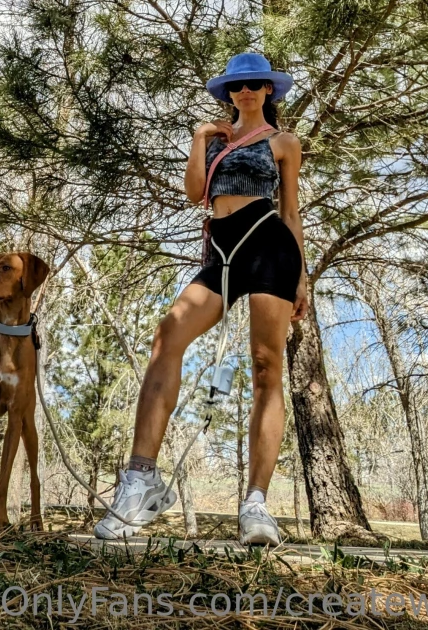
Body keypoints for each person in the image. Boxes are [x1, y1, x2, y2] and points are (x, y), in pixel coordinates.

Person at [93, 52, 309, 545]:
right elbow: (195, 194)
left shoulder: (283, 142)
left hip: (268, 246)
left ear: (269, 90)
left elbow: (291, 212)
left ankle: (256, 504)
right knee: (168, 335)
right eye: (236, 86)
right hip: (220, 251)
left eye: (255, 84)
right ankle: (141, 481)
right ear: (227, 93)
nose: (246, 92)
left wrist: (303, 279)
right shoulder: (212, 141)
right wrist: (198, 138)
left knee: (264, 365)